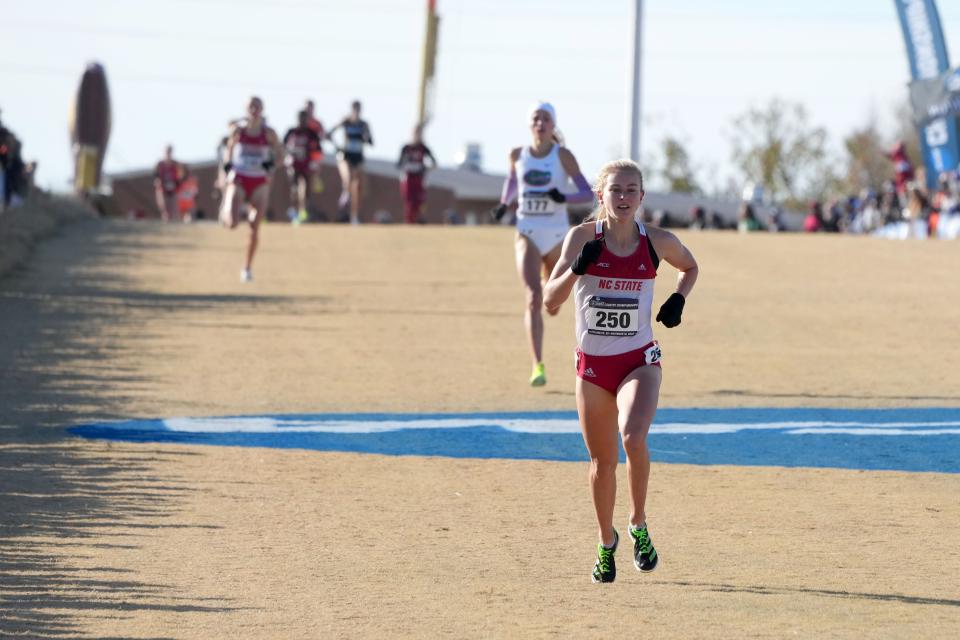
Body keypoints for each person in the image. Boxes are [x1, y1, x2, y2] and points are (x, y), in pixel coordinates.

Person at [543, 158, 699, 583]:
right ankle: (605, 541)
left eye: (632, 190)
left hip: (638, 361)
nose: (624, 197)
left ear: (642, 197)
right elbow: (549, 301)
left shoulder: (656, 242)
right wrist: (577, 268)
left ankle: (638, 523)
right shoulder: (581, 238)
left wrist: (678, 299)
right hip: (593, 367)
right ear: (601, 196)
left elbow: (691, 266)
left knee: (632, 436)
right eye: (616, 190)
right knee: (601, 463)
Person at [491, 102, 593, 386]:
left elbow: (586, 192)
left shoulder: (563, 156)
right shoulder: (517, 154)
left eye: (545, 118)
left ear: (553, 125)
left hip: (557, 235)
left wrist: (564, 197)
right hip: (527, 230)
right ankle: (537, 365)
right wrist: (503, 203)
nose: (540, 123)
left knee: (553, 304)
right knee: (533, 297)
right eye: (536, 118)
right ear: (529, 124)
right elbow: (512, 182)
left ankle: (548, 282)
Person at [219, 96, 284, 282]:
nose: (254, 110)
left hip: (260, 180)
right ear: (246, 109)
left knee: (255, 227)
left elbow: (280, 153)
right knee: (232, 224)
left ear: (262, 109)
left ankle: (247, 268)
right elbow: (228, 150)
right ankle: (227, 208)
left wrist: (271, 165)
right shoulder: (238, 131)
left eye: (257, 107)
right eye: (251, 107)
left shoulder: (269, 133)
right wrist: (228, 168)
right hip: (240, 177)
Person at [327, 100, 373, 224]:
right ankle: (344, 196)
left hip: (357, 156)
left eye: (358, 110)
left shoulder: (364, 124)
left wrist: (366, 137)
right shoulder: (345, 122)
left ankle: (354, 215)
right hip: (345, 155)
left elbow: (370, 141)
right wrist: (337, 146)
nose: (356, 112)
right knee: (348, 179)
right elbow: (329, 134)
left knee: (357, 186)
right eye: (355, 109)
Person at [283, 110, 323, 224]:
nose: (303, 121)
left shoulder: (312, 133)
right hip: (293, 165)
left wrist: (316, 163)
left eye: (305, 118)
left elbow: (318, 149)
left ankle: (303, 212)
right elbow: (283, 146)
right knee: (295, 188)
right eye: (301, 118)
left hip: (307, 165)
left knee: (306, 190)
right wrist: (288, 156)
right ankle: (293, 210)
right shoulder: (291, 132)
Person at [396, 124, 437, 223]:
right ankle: (409, 222)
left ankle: (416, 221)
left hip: (419, 179)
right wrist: (407, 165)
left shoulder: (423, 148)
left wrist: (426, 169)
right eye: (415, 133)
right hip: (408, 179)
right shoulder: (406, 148)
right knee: (409, 202)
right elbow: (399, 164)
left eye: (419, 133)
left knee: (419, 202)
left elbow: (434, 163)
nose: (417, 135)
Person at [153, 145, 188, 222]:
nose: (168, 154)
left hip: (173, 189)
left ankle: (176, 224)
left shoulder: (176, 164)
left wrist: (179, 181)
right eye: (167, 152)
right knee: (164, 210)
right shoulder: (160, 164)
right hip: (162, 189)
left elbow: (182, 174)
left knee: (174, 209)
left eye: (170, 152)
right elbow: (155, 175)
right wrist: (157, 181)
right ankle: (166, 223)